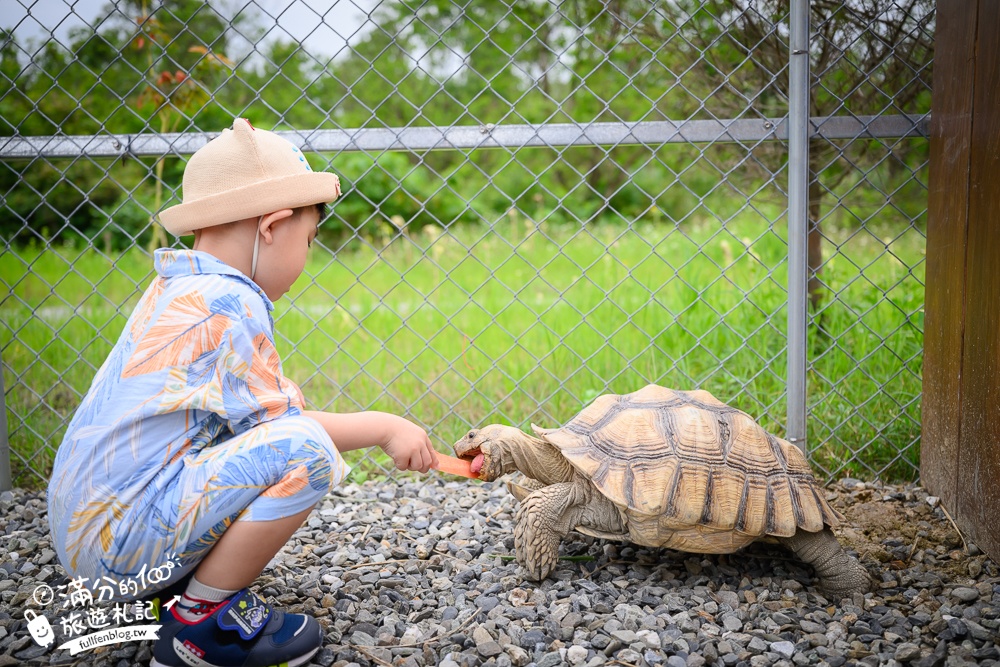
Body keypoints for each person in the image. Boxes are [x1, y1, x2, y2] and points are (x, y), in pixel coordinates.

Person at [46, 118, 440, 667]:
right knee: (307, 452)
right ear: (272, 226)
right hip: (119, 547)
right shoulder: (230, 302)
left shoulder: (176, 285)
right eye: (307, 240)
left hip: (85, 535)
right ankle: (197, 629)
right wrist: (384, 427)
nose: (306, 259)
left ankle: (171, 589)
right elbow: (284, 431)